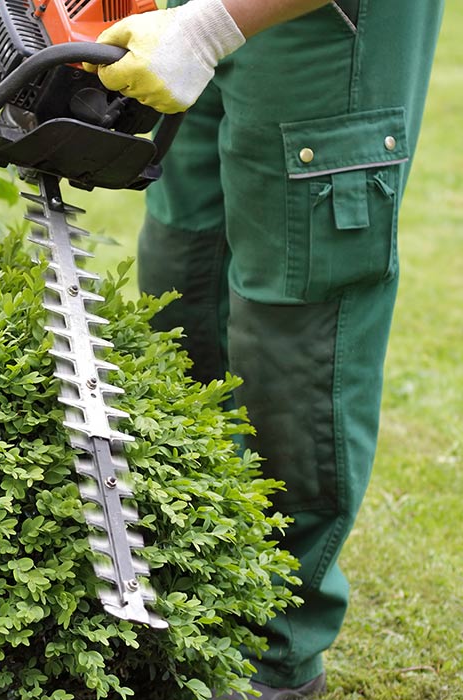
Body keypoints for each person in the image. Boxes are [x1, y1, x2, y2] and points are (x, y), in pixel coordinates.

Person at [84, 0, 445, 698]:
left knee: (293, 321)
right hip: (195, 11)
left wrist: (213, 25)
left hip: (331, 19)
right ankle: (192, 587)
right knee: (181, 265)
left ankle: (272, 651)